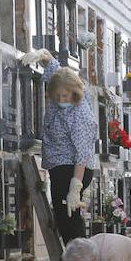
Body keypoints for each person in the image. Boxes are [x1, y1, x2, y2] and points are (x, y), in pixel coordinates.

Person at [21, 48, 98, 243]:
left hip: (72, 169)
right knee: (66, 218)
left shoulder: (80, 115)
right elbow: (55, 67)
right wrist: (42, 56)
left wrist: (75, 187)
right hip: (60, 166)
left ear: (75, 92)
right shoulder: (63, 87)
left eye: (65, 96)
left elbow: (83, 152)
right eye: (57, 96)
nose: (60, 100)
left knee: (69, 221)